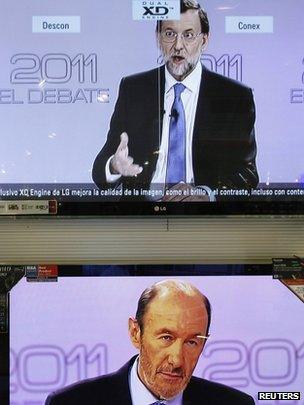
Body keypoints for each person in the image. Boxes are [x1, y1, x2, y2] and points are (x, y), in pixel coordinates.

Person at [92, 0, 259, 200]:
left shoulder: (234, 96)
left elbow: (247, 176)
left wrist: (206, 195)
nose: (178, 46)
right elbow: (100, 170)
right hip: (141, 217)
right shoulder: (134, 89)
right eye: (170, 34)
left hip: (204, 218)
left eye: (188, 35)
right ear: (158, 38)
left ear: (204, 40)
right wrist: (113, 165)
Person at [45, 279, 255, 404]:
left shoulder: (235, 404)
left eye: (192, 342)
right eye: (166, 337)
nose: (177, 361)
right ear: (135, 333)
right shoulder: (71, 403)